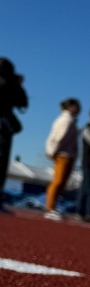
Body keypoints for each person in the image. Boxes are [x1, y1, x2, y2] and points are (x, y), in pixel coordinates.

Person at [44, 98, 80, 220]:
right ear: (70, 107)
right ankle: (50, 208)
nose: (79, 109)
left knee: (61, 183)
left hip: (67, 154)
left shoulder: (71, 120)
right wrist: (52, 151)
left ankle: (53, 206)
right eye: (77, 106)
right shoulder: (66, 120)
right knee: (58, 181)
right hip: (62, 154)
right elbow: (59, 137)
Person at [0, 58, 28, 213]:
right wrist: (17, 85)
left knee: (2, 161)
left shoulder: (11, 85)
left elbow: (22, 103)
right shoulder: (11, 84)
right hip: (4, 127)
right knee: (2, 161)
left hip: (5, 126)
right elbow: (23, 103)